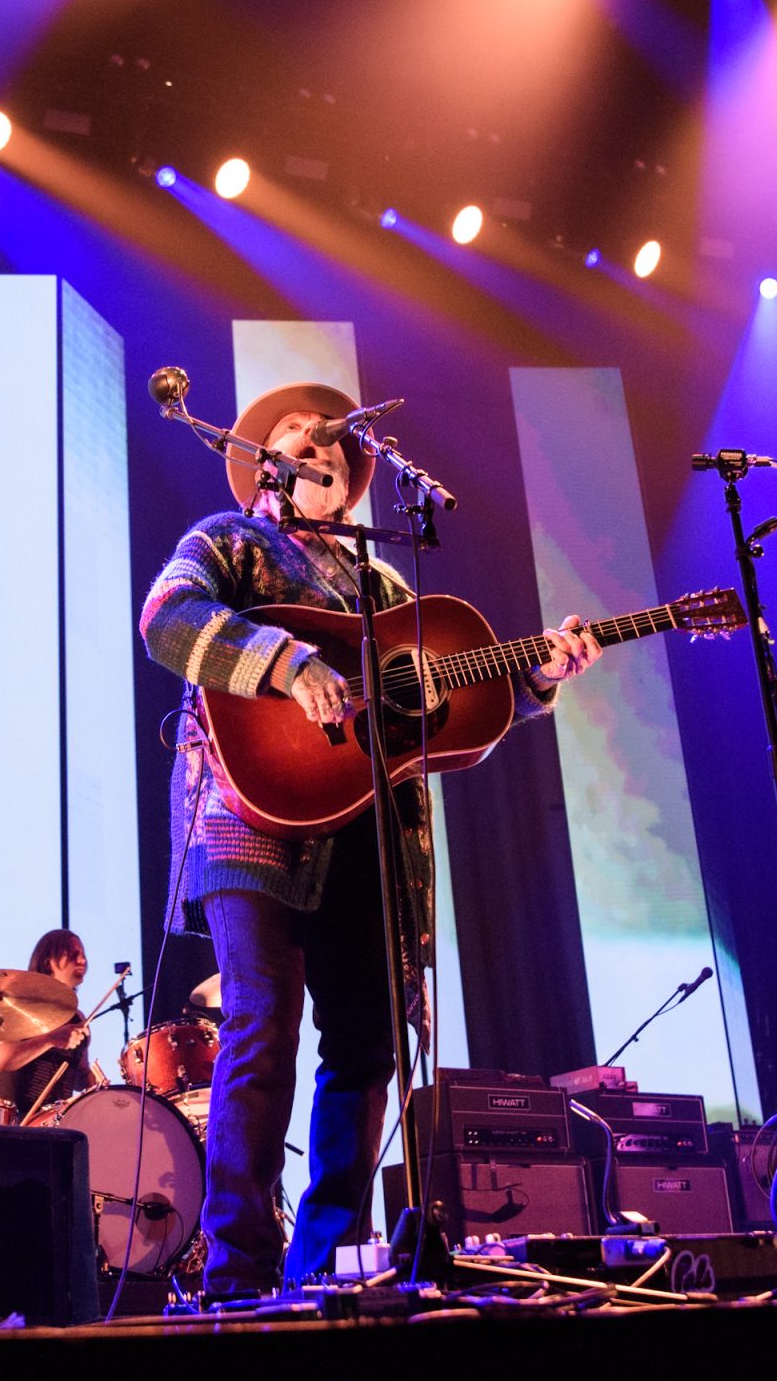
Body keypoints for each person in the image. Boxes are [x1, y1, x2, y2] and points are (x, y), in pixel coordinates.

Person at [140, 380, 599, 1298]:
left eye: (330, 437)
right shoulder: (229, 541)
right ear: (265, 463)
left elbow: (459, 704)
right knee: (261, 1024)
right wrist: (282, 661)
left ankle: (326, 1265)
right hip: (249, 813)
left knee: (367, 1044)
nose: (318, 440)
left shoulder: (387, 587)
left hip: (367, 832)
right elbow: (167, 618)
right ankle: (238, 1271)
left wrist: (538, 676)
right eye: (296, 433)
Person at [0, 928, 93, 1119]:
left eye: (83, 955)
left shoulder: (78, 1019)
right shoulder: (19, 1005)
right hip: (11, 1123)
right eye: (73, 954)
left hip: (55, 1125)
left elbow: (80, 1076)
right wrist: (50, 1039)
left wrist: (105, 1090)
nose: (82, 960)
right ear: (48, 962)